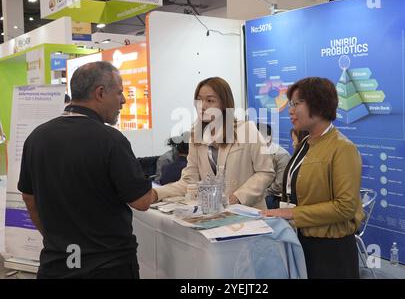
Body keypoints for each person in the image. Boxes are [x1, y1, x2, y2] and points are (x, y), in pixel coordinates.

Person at [18, 61, 158, 279]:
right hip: (109, 267)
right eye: (119, 93)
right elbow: (142, 201)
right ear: (100, 93)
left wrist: (57, 239)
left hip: (56, 264)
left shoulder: (37, 137)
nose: (123, 100)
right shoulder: (111, 140)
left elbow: (29, 198)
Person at [261, 77, 364, 279]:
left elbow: (345, 207)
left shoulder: (343, 148)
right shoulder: (306, 142)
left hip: (331, 251)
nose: (290, 110)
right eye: (291, 104)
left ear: (318, 104)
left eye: (296, 104)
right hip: (301, 240)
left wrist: (291, 214)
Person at [152, 77, 275, 209]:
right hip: (214, 214)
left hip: (247, 213)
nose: (203, 106)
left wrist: (239, 196)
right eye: (199, 100)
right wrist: (156, 193)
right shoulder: (196, 137)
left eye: (210, 101)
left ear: (224, 104)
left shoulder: (246, 130)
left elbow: (265, 172)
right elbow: (189, 181)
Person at [256, 123, 291, 209]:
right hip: (261, 191)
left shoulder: (282, 155)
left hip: (276, 196)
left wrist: (262, 194)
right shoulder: (256, 152)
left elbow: (279, 185)